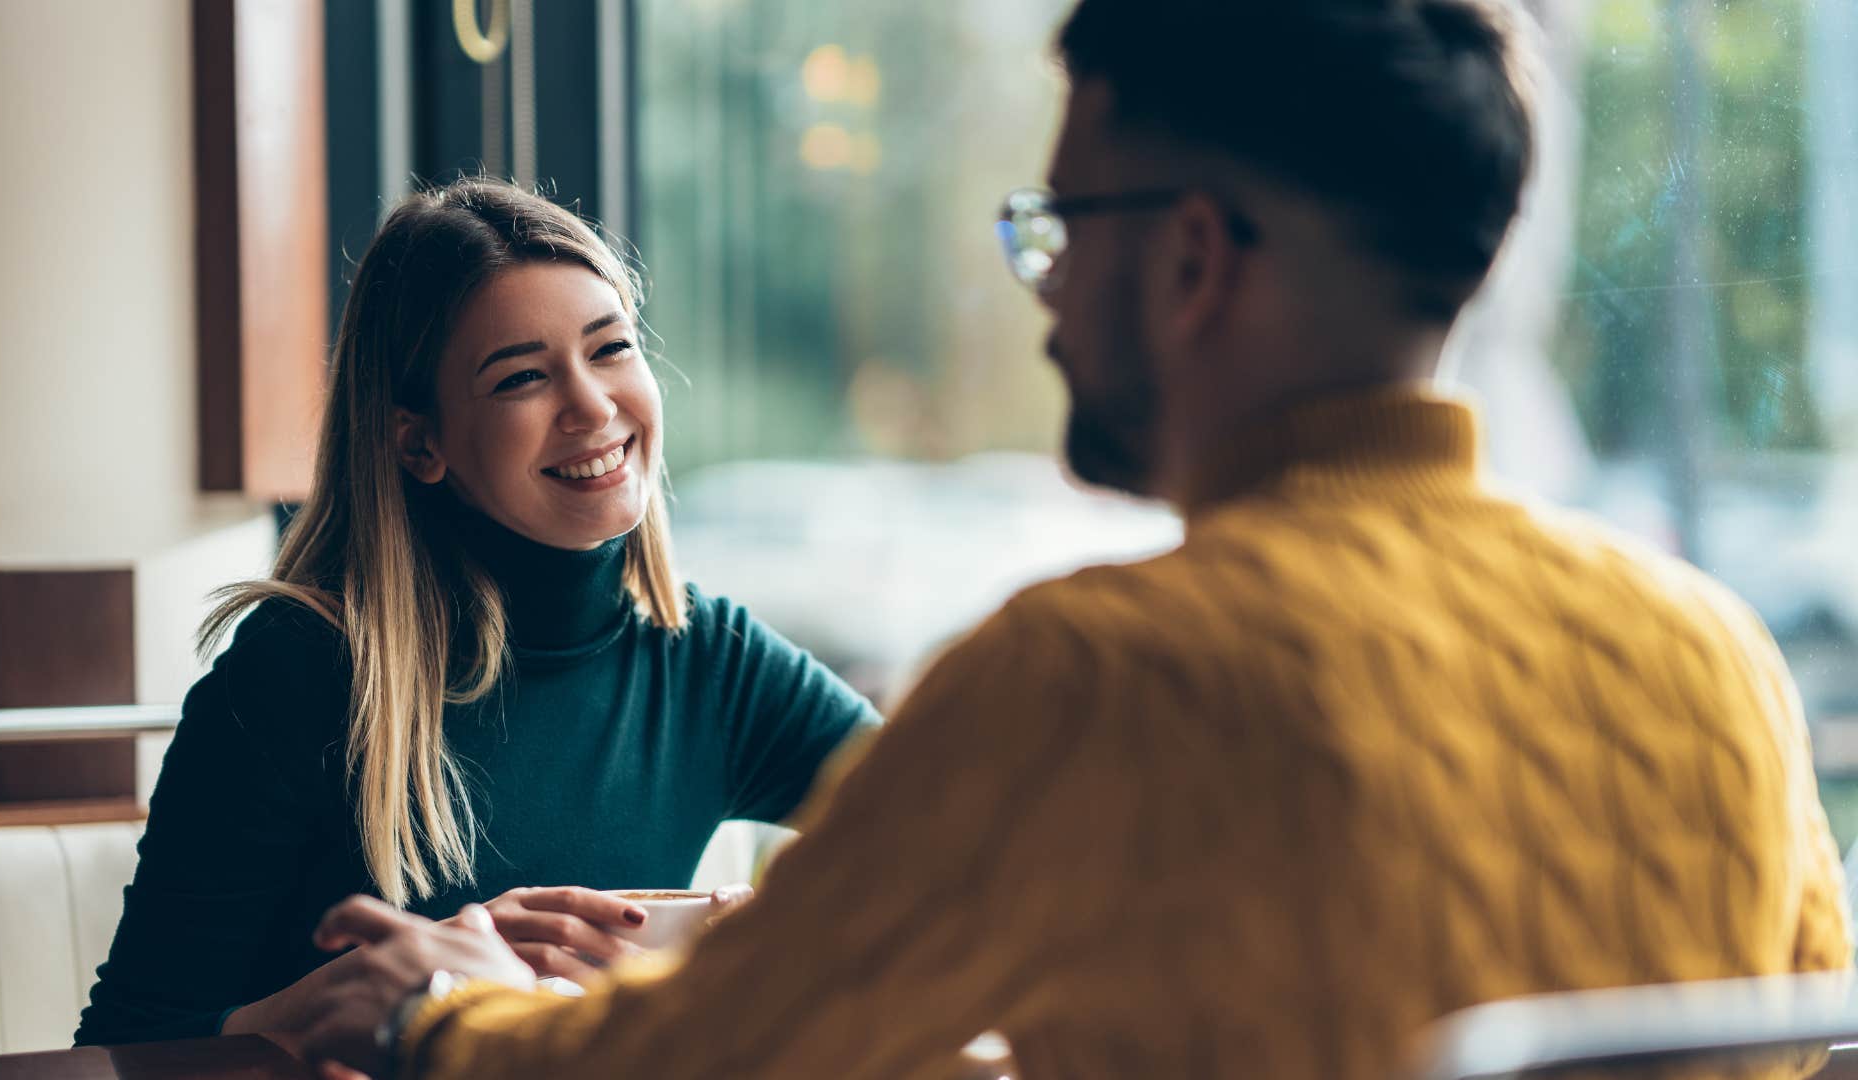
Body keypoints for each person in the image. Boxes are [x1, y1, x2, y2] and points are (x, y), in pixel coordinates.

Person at [297, 2, 1853, 1077]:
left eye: (1060, 226)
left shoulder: (1102, 675)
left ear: (1190, 258)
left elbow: (713, 1064)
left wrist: (439, 1014)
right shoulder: (1712, 645)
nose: (1039, 288)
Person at [73, 179, 878, 1046]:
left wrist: (761, 951)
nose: (594, 406)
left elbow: (967, 834)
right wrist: (376, 992)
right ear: (420, 442)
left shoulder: (710, 659)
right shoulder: (297, 673)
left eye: (611, 349)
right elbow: (125, 1045)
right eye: (523, 378)